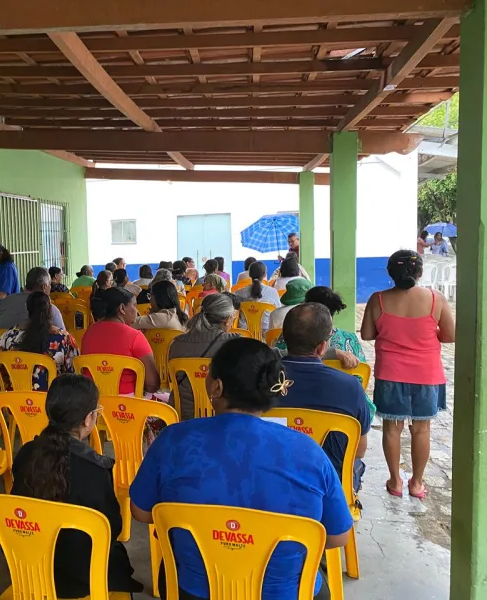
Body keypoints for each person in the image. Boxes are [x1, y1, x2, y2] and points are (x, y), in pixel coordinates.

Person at [130, 338, 352, 600]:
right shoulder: (309, 451)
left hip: (193, 591)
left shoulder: (173, 440)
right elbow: (338, 537)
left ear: (217, 386)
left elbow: (141, 512)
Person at [11, 374, 144, 598]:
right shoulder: (95, 468)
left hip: (31, 566)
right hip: (84, 576)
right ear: (88, 419)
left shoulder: (25, 453)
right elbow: (111, 528)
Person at [361, 250, 455, 499]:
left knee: (392, 429)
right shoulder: (437, 299)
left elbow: (367, 334)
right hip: (427, 375)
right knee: (422, 430)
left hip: (390, 374)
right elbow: (450, 335)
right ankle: (417, 483)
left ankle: (395, 481)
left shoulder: (377, 300)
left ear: (390, 273)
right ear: (420, 272)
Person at [280, 304, 373, 493]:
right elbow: (360, 450)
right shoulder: (350, 386)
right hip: (332, 486)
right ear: (322, 347)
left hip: (276, 478)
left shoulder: (260, 380)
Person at [167, 294, 240, 420]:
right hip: (222, 418)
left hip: (182, 418)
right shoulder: (236, 344)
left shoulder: (176, 343)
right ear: (227, 320)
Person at [80, 287, 160, 395]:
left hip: (93, 401)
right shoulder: (135, 336)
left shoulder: (88, 333)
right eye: (134, 306)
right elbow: (152, 384)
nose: (137, 311)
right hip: (128, 404)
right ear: (122, 308)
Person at [0, 292, 79, 391]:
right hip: (52, 402)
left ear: (27, 309)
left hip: (13, 402)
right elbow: (74, 373)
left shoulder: (8, 336)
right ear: (50, 309)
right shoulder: (64, 338)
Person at [0, 267, 66, 330]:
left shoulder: (5, 301)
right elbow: (63, 336)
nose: (50, 287)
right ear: (44, 287)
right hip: (35, 345)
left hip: (4, 345)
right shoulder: (49, 309)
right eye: (50, 284)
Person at [235, 261, 282, 330]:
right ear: (265, 275)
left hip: (245, 333)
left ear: (250, 275)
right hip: (266, 334)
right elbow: (278, 311)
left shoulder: (239, 293)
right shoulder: (272, 292)